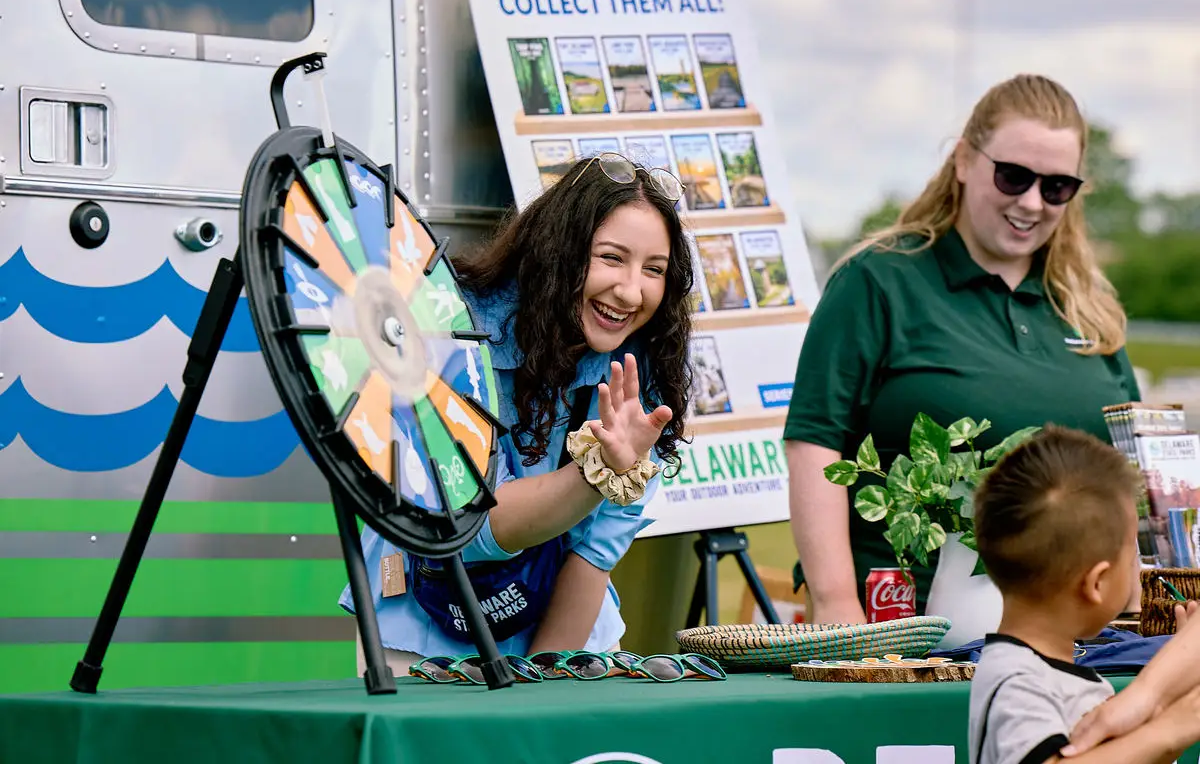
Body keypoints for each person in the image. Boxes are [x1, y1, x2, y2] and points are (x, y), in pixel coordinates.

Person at [783, 74, 1141, 623]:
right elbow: (815, 444)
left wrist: (1133, 601)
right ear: (964, 161)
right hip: (915, 635)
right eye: (1013, 176)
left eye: (1056, 188)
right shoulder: (878, 281)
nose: (1031, 202)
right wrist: (836, 605)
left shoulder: (1087, 306)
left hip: (1082, 640)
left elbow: (1126, 470)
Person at [338, 151, 694, 674]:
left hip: (566, 616)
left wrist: (545, 683)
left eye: (655, 270)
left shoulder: (644, 360)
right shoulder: (453, 329)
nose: (631, 290)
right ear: (560, 250)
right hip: (424, 619)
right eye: (611, 258)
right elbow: (477, 528)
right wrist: (602, 474)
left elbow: (593, 555)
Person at [969, 424, 1200, 764]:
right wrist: (1174, 726)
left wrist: (1176, 689)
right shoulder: (1020, 684)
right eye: (1132, 556)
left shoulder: (1044, 673)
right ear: (1096, 583)